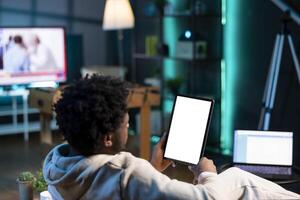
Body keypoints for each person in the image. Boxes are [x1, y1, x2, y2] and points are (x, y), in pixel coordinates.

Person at [43, 75, 300, 200]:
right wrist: (206, 173)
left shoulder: (58, 170)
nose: (129, 121)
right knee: (237, 178)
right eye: (124, 120)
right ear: (108, 139)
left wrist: (154, 167)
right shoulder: (124, 173)